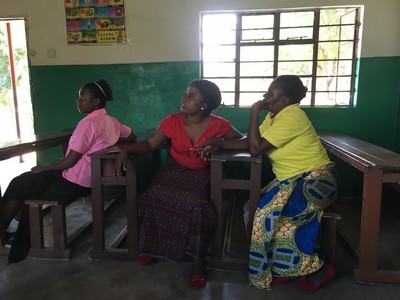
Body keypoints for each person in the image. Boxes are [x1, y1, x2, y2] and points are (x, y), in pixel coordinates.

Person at [204, 75, 339, 291]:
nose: (265, 97)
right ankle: (282, 268)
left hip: (317, 182)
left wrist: (254, 111)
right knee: (253, 209)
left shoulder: (292, 116)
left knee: (270, 217)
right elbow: (251, 141)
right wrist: (218, 145)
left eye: (270, 93)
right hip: (291, 182)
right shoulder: (276, 116)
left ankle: (317, 268)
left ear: (284, 100)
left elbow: (256, 149)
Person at [115, 79, 243, 288]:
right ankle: (152, 247)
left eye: (191, 96)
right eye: (185, 94)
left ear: (204, 104)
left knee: (196, 206)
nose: (184, 99)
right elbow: (149, 143)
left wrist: (220, 144)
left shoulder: (219, 124)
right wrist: (126, 150)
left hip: (202, 172)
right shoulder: (172, 121)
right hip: (174, 169)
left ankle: (198, 260)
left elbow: (239, 139)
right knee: (152, 197)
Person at [1, 79, 136, 261]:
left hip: (75, 180)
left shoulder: (87, 124)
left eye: (83, 98)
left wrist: (44, 167)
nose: (78, 102)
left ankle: (8, 231)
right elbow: (131, 134)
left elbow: (69, 162)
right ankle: (12, 228)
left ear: (96, 101)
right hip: (92, 177)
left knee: (21, 184)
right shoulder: (111, 121)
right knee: (23, 183)